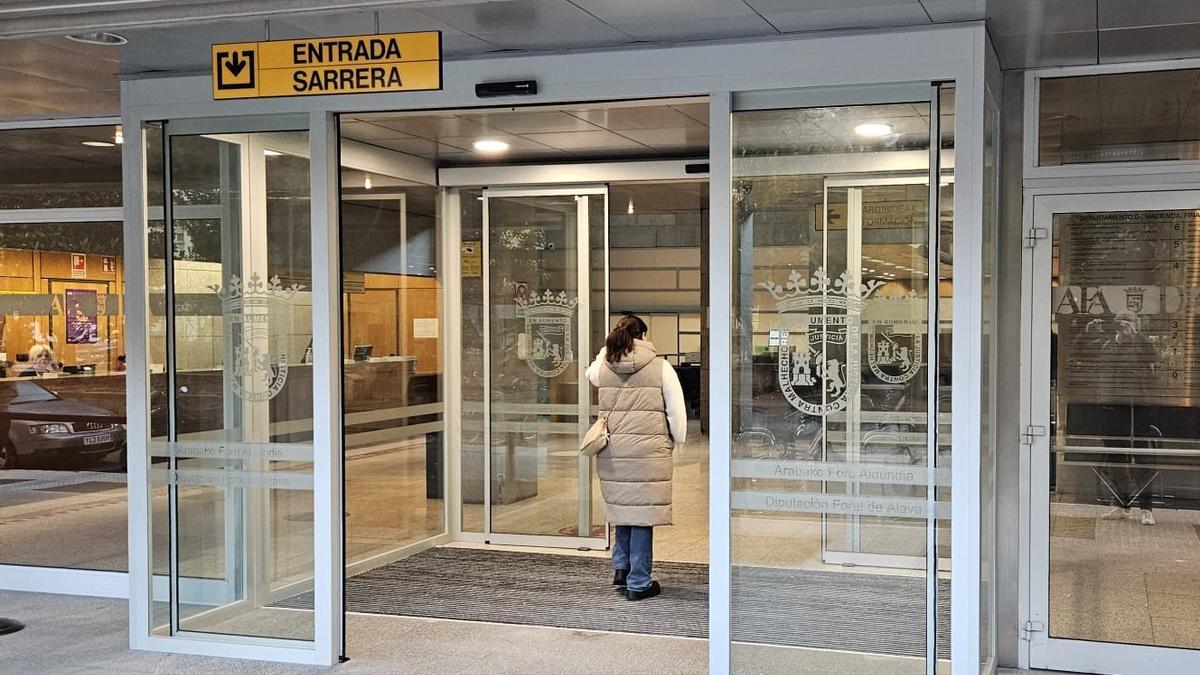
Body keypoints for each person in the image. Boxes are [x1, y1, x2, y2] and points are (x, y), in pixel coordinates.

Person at [586, 314, 687, 601]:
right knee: (642, 514)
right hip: (648, 453)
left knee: (623, 509)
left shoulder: (603, 366)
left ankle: (621, 568)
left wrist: (606, 349)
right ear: (643, 336)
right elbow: (676, 413)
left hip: (614, 452)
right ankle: (639, 582)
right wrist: (676, 441)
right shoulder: (661, 367)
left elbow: (589, 374)